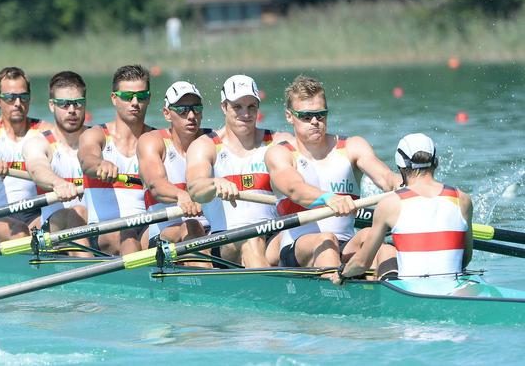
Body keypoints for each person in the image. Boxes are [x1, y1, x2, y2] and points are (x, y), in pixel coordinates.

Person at [265, 75, 401, 269]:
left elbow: (386, 177)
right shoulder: (280, 153)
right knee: (327, 242)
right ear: (289, 116)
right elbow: (295, 189)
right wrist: (329, 198)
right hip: (298, 246)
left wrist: (401, 184)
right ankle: (338, 294)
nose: (315, 121)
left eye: (321, 115)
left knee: (377, 240)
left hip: (345, 245)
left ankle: (396, 292)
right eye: (305, 116)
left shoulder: (352, 146)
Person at [332, 133, 472, 286]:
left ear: (401, 167)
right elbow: (466, 258)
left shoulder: (389, 203)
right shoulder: (462, 199)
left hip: (411, 293)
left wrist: (341, 273)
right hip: (453, 288)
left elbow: (362, 263)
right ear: (435, 162)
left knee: (385, 253)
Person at [186, 75, 280, 268]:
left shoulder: (277, 142)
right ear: (224, 107)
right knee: (252, 241)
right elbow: (195, 189)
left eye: (251, 107)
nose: (246, 114)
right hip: (227, 239)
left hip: (274, 234)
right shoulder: (205, 146)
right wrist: (214, 183)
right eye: (237, 107)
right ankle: (270, 292)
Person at [79, 64, 155, 255]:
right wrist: (100, 164)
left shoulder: (157, 140)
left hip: (148, 228)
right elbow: (87, 159)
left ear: (149, 98)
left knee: (190, 231)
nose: (135, 102)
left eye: (142, 96)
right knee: (128, 236)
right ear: (114, 98)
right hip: (104, 231)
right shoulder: (96, 135)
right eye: (128, 97)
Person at [0, 67, 53, 242]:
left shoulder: (44, 130)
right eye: (10, 97)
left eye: (23, 97)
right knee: (19, 231)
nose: (17, 103)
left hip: (33, 212)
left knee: (65, 223)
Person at [22, 71, 89, 256]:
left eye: (78, 103)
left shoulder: (100, 140)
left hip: (99, 226)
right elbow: (37, 169)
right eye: (64, 104)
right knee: (77, 211)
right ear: (52, 105)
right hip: (55, 227)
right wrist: (58, 183)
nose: (72, 110)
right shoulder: (39, 143)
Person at [138, 81, 210, 249]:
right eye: (182, 110)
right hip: (165, 231)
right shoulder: (152, 141)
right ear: (167, 114)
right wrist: (181, 196)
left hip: (212, 231)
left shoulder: (213, 141)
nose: (191, 116)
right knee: (191, 226)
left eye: (196, 108)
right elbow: (156, 185)